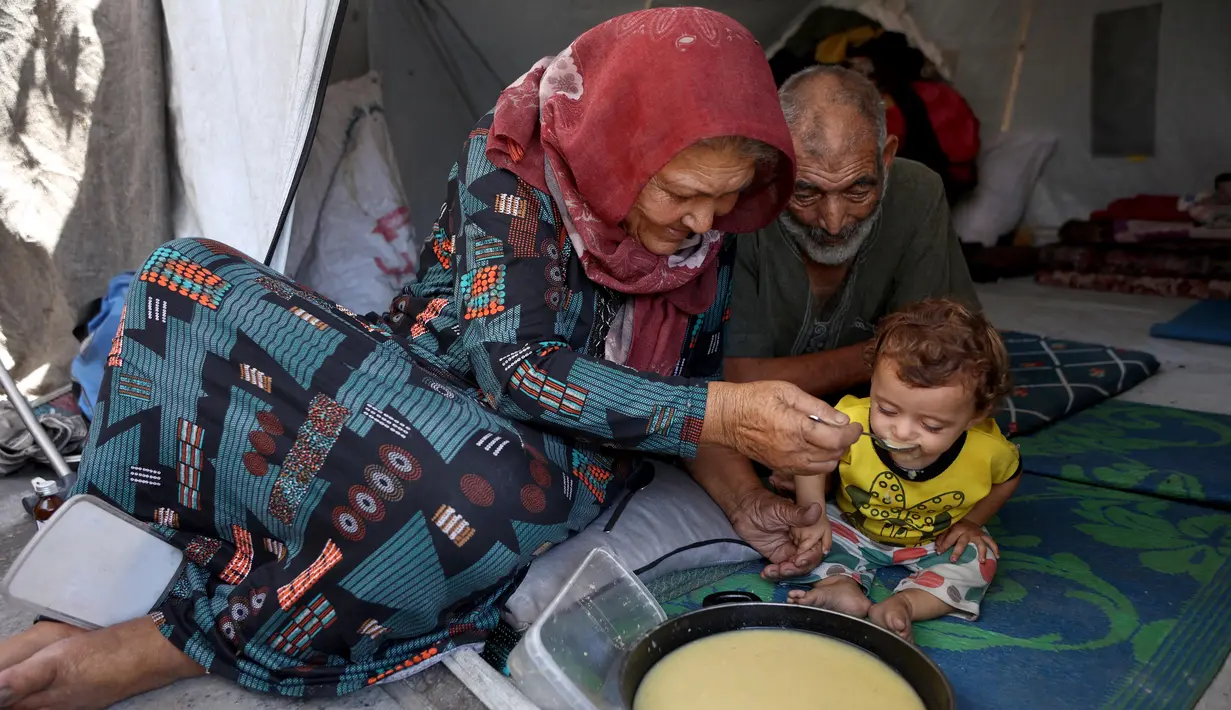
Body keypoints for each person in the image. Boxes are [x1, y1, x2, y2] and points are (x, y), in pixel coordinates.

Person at [0, 9, 862, 707]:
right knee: (180, 280)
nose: (704, 226)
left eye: (724, 200)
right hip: (428, 371)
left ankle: (181, 640)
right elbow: (513, 364)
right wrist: (730, 416)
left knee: (462, 491)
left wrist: (746, 498)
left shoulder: (702, 236)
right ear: (621, 142)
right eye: (680, 193)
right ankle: (139, 560)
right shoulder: (516, 164)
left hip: (550, 456)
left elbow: (679, 389)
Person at [724, 65, 978, 404]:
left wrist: (919, 350)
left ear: (886, 159)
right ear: (774, 165)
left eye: (858, 189)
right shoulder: (742, 203)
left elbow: (947, 352)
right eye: (806, 192)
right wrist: (892, 352)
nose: (833, 222)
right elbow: (737, 381)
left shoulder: (918, 192)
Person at [787, 298, 1020, 642]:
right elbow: (811, 457)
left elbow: (1008, 479)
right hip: (853, 528)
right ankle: (840, 585)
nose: (901, 431)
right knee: (803, 537)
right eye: (887, 409)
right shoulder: (849, 420)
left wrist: (972, 523)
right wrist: (815, 512)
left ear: (974, 416)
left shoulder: (989, 450)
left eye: (931, 425)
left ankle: (906, 604)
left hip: (932, 543)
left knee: (979, 559)